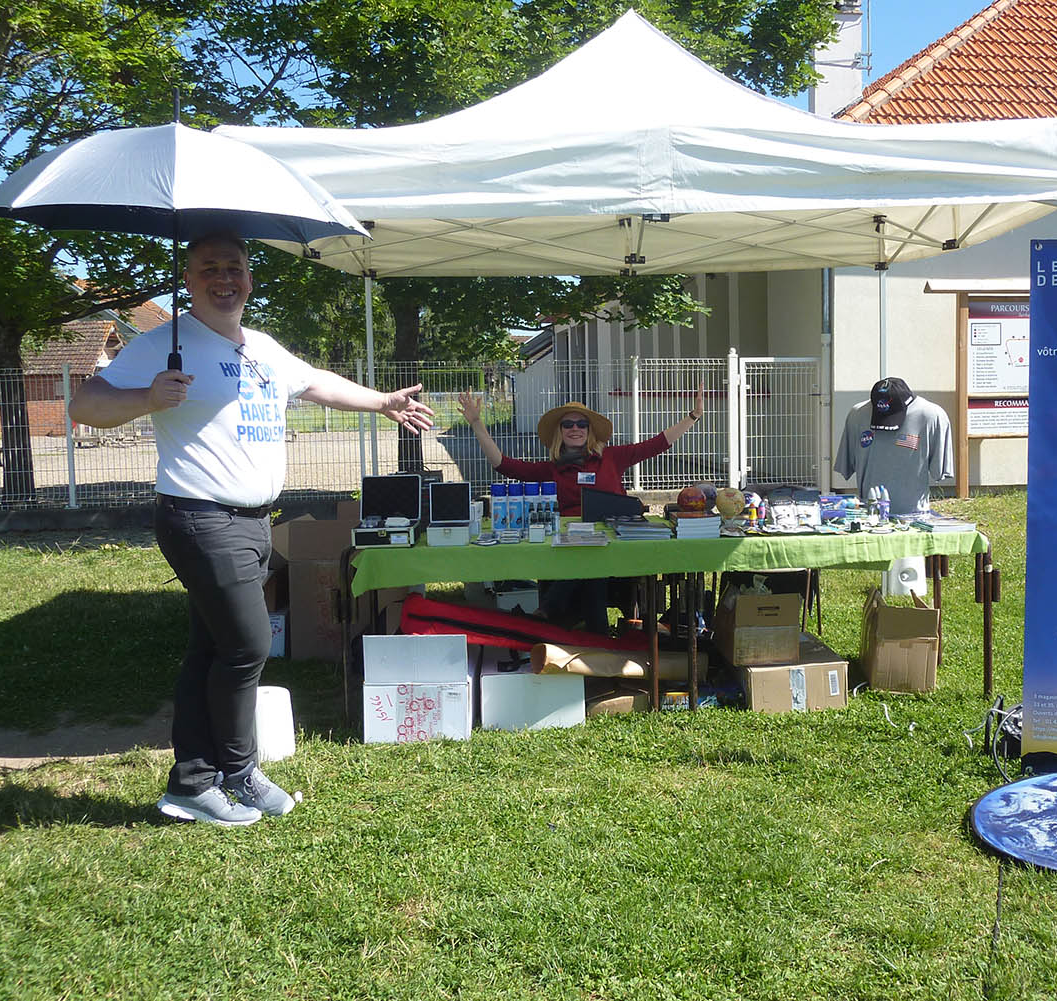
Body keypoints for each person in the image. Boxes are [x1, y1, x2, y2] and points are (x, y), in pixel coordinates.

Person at [71, 232, 434, 827]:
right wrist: (148, 397)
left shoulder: (261, 346)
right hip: (200, 517)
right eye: (209, 268)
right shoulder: (165, 343)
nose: (224, 278)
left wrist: (382, 402)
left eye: (234, 267)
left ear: (248, 277)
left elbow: (314, 381)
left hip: (253, 520)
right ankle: (235, 773)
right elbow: (85, 404)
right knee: (247, 645)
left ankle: (194, 782)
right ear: (188, 279)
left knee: (212, 648)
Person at [458, 384, 705, 630]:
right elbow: (503, 464)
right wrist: (477, 423)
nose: (575, 429)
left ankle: (548, 612)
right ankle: (598, 636)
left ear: (589, 430)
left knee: (590, 564)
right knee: (591, 570)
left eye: (581, 424)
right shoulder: (552, 469)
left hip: (615, 541)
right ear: (560, 432)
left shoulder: (611, 457)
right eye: (568, 424)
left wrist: (693, 416)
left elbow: (657, 444)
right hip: (572, 545)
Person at [833, 376, 953, 514]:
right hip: (870, 515)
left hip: (913, 515)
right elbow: (846, 465)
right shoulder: (857, 415)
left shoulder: (931, 416)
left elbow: (939, 471)